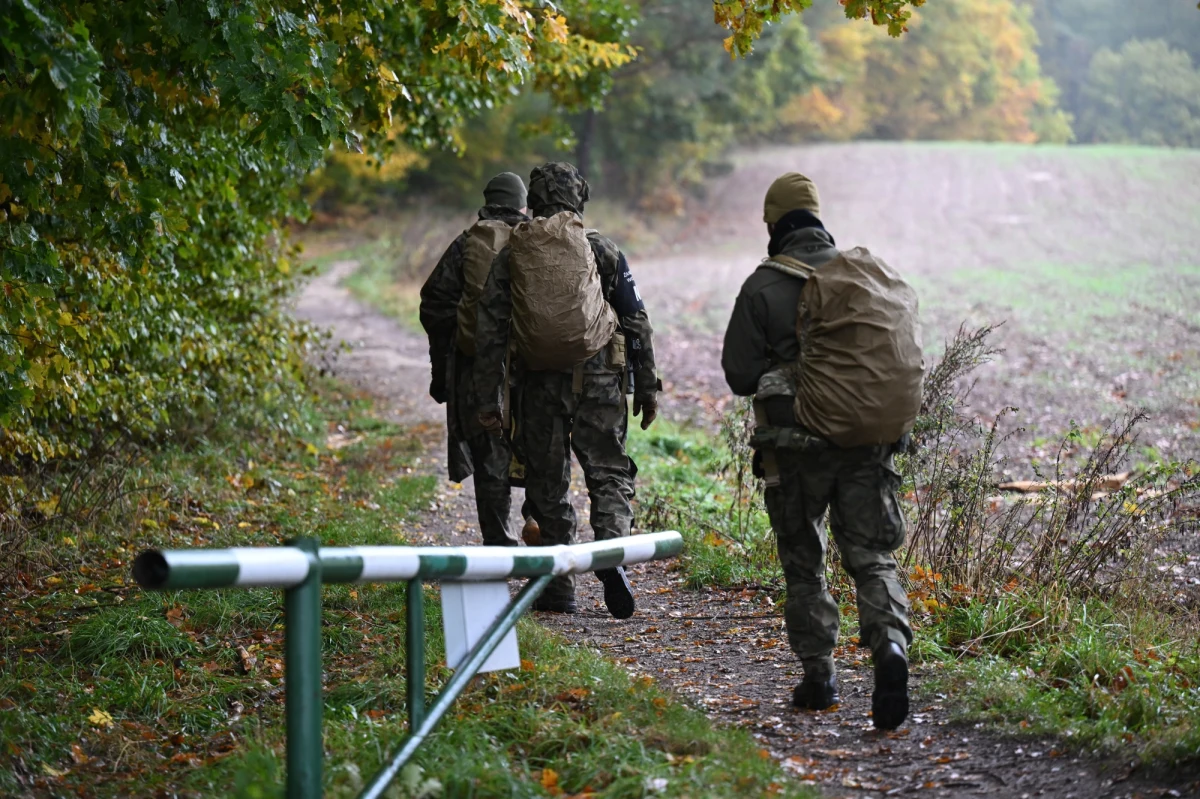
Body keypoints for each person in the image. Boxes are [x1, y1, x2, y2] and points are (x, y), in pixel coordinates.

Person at [720, 172, 913, 730]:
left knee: (805, 565)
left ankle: (820, 677)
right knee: (872, 558)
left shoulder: (763, 286)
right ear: (819, 218)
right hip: (864, 447)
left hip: (795, 452)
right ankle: (890, 650)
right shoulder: (862, 278)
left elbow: (738, 375)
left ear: (775, 225)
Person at [473, 162, 660, 618]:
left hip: (539, 382)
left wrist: (487, 397)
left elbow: (490, 332)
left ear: (532, 202)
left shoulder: (513, 253)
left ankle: (559, 590)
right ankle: (612, 553)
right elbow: (635, 320)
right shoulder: (600, 248)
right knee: (608, 472)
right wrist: (647, 386)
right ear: (579, 200)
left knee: (548, 481)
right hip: (599, 379)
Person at [419, 172, 537, 547]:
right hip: (537, 369)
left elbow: (433, 304)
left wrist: (446, 363)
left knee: (490, 460)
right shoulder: (540, 240)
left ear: (487, 202)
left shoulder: (468, 242)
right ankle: (540, 525)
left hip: (477, 370)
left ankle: (500, 546)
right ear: (523, 204)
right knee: (545, 453)